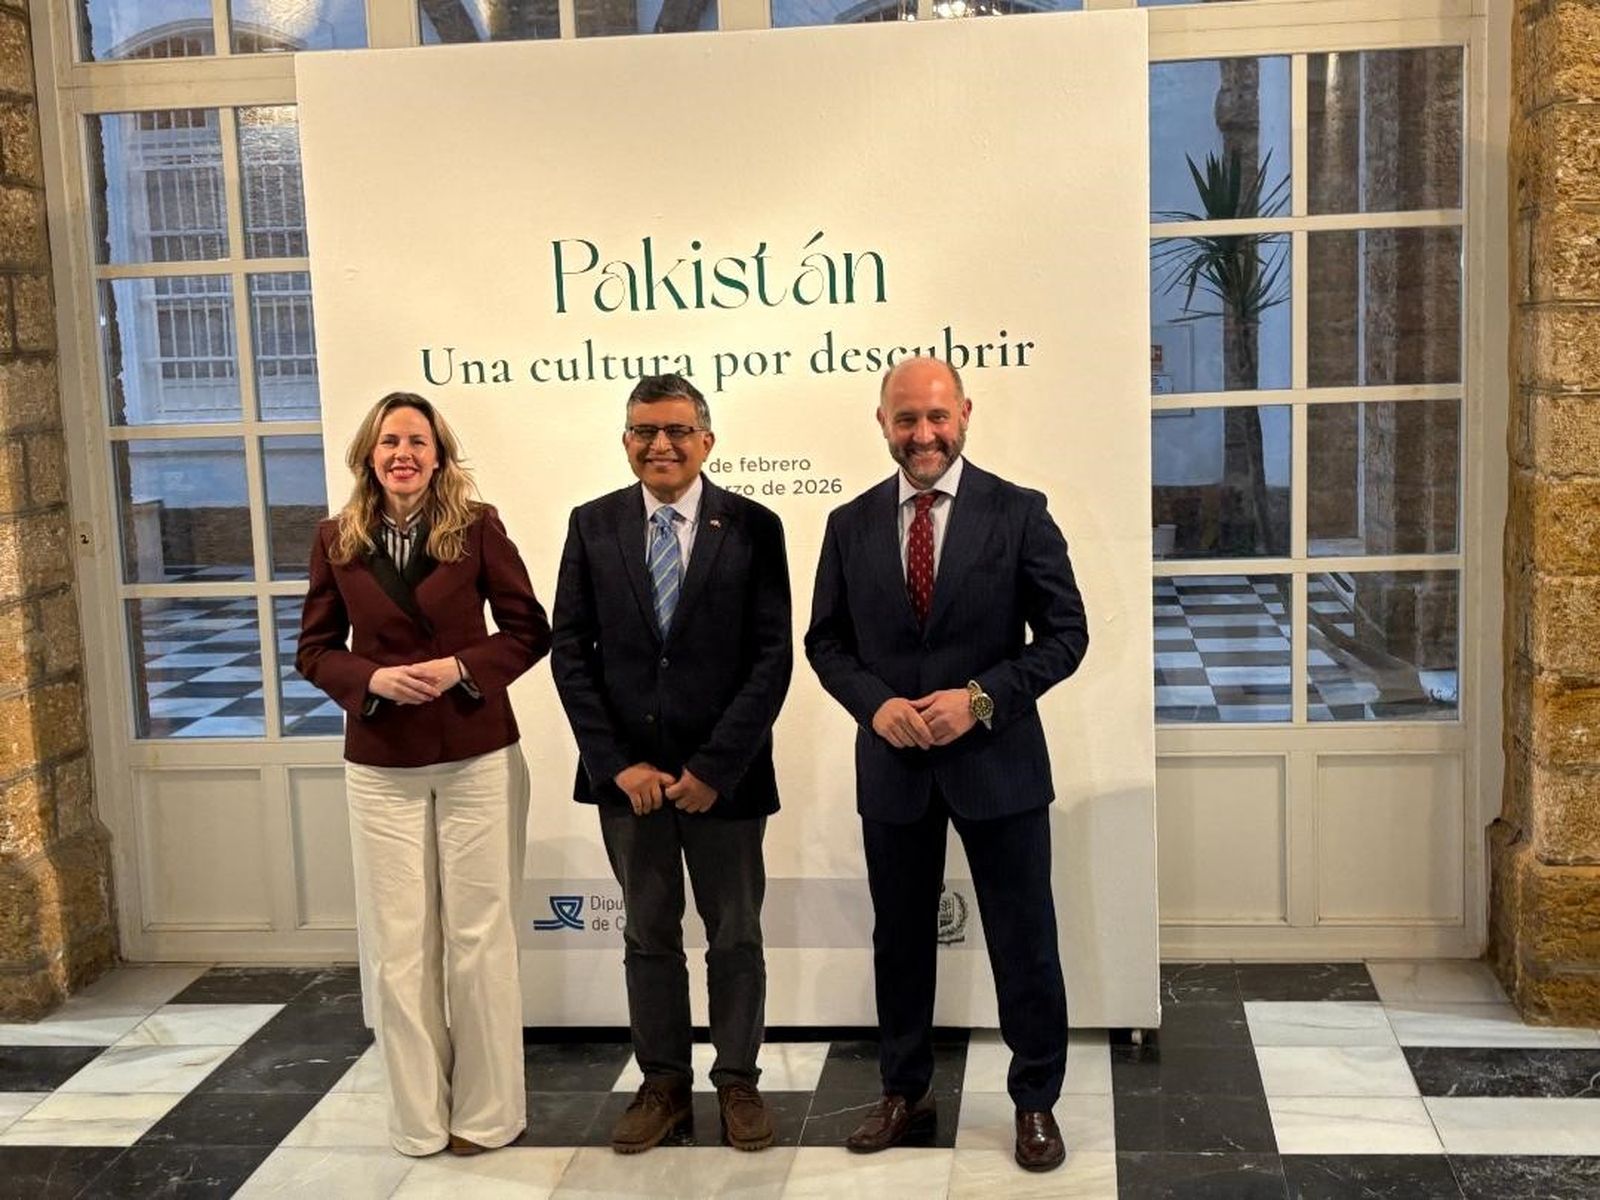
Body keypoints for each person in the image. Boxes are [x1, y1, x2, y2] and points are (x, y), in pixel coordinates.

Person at [804, 357, 1088, 1173]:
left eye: (936, 417)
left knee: (1024, 941)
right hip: (894, 770)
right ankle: (904, 1089)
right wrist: (875, 704)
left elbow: (1066, 637)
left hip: (999, 765)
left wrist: (982, 698)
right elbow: (826, 643)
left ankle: (1034, 1101)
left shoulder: (1019, 513)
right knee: (900, 942)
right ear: (882, 422)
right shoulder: (850, 523)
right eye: (905, 420)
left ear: (964, 412)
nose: (922, 435)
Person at [297, 391, 550, 1158]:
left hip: (476, 754)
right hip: (381, 765)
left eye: (416, 440)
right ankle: (415, 1118)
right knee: (398, 946)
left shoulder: (476, 528)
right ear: (368, 457)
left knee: (479, 939)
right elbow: (312, 649)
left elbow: (529, 629)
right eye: (387, 442)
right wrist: (368, 680)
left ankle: (487, 1114)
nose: (402, 453)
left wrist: (460, 668)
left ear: (438, 453)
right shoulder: (335, 539)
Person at [551, 374, 792, 1154]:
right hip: (632, 788)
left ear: (707, 441)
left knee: (736, 937)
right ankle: (662, 1086)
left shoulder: (755, 526)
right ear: (626, 442)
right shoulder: (592, 526)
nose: (661, 444)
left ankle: (738, 1082)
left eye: (678, 431)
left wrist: (715, 766)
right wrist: (618, 765)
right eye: (644, 431)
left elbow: (771, 657)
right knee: (648, 937)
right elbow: (570, 655)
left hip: (724, 782)